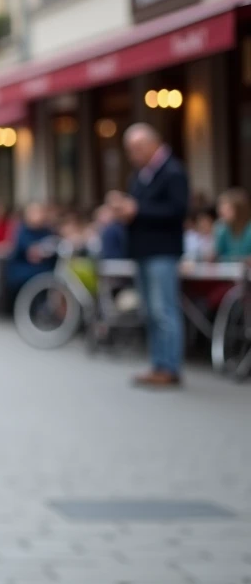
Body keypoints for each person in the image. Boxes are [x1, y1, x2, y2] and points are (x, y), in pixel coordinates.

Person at [108, 123, 189, 388]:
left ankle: (170, 367)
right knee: (151, 311)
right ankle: (158, 364)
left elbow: (178, 211)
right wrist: (124, 210)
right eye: (130, 150)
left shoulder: (173, 171)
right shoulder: (140, 175)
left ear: (152, 144)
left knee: (163, 309)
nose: (133, 155)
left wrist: (136, 209)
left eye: (136, 149)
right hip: (143, 250)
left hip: (162, 252)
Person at [5, 202, 57, 308]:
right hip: (25, 270)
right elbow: (31, 253)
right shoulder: (22, 231)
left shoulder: (47, 231)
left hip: (46, 269)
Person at [213, 188, 251, 261]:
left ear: (240, 209)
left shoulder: (249, 229)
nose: (221, 212)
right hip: (228, 270)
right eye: (220, 208)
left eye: (228, 209)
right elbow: (218, 254)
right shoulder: (221, 228)